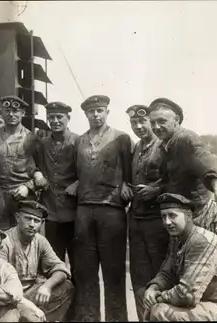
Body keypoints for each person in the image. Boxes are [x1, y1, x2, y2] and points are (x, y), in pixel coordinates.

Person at [73, 95, 133, 322]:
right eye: (91, 111)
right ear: (86, 114)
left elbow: (131, 171)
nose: (95, 115)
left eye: (99, 110)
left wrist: (127, 184)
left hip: (112, 209)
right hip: (84, 210)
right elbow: (76, 172)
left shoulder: (121, 138)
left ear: (107, 111)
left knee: (113, 270)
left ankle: (116, 319)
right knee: (86, 270)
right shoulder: (79, 141)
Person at [139, 193, 217, 321]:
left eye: (172, 215)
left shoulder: (201, 242)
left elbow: (187, 294)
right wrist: (153, 288)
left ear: (189, 216)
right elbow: (167, 272)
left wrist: (158, 298)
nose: (167, 222)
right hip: (205, 302)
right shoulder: (178, 239)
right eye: (163, 217)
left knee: (160, 312)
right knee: (151, 303)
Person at [148, 97, 217, 232]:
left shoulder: (187, 139)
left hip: (198, 216)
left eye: (162, 121)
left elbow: (210, 166)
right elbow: (172, 179)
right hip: (180, 215)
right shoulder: (165, 145)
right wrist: (155, 189)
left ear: (176, 120)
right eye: (153, 122)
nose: (156, 127)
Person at [125, 104, 169, 321]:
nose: (139, 126)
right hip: (136, 220)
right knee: (139, 277)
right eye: (134, 123)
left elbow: (178, 178)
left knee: (160, 276)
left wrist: (156, 189)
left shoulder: (164, 146)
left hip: (158, 221)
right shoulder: (135, 148)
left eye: (143, 122)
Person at [0, 200, 74, 322]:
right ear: (18, 218)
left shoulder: (40, 241)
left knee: (67, 286)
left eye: (36, 221)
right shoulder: (5, 241)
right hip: (8, 294)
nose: (32, 224)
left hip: (30, 292)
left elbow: (60, 269)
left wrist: (46, 286)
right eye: (28, 219)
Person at [0, 95, 44, 230]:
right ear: (2, 112)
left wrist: (28, 187)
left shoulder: (32, 139)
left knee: (23, 236)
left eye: (15, 111)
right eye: (7, 111)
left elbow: (41, 170)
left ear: (23, 113)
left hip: (23, 194)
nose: (11, 114)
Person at [35, 101, 79, 269]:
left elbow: (89, 170)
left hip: (73, 211)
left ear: (68, 118)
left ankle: (77, 295)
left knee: (77, 261)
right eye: (51, 117)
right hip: (51, 210)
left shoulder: (78, 141)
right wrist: (37, 173)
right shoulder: (43, 143)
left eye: (59, 117)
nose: (55, 121)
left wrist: (78, 183)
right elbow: (33, 163)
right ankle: (59, 295)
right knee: (54, 260)